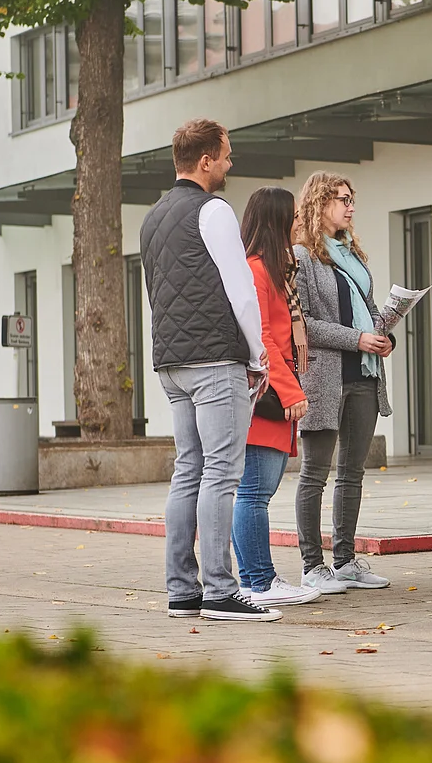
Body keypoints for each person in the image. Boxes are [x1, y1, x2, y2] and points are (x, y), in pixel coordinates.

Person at [140, 119, 280, 623]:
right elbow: (240, 289)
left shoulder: (152, 218)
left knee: (188, 471)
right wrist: (258, 355)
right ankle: (221, 590)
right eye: (225, 156)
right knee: (222, 471)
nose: (228, 164)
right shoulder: (213, 210)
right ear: (204, 161)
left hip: (171, 363)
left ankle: (182, 591)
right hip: (215, 361)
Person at [293, 172, 394, 594]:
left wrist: (384, 332)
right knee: (314, 473)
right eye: (342, 200)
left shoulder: (353, 255)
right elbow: (304, 326)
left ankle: (346, 560)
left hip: (364, 376)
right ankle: (312, 565)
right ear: (319, 203)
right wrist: (356, 338)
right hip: (325, 378)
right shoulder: (301, 256)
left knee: (352, 472)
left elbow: (367, 308)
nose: (351, 208)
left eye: (352, 200)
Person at [232, 186, 323, 608]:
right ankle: (260, 581)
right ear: (277, 221)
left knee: (254, 491)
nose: (301, 220)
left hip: (272, 393)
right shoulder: (257, 270)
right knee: (254, 493)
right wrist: (289, 391)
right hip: (267, 396)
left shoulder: (274, 270)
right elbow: (263, 336)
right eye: (294, 215)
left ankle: (255, 579)